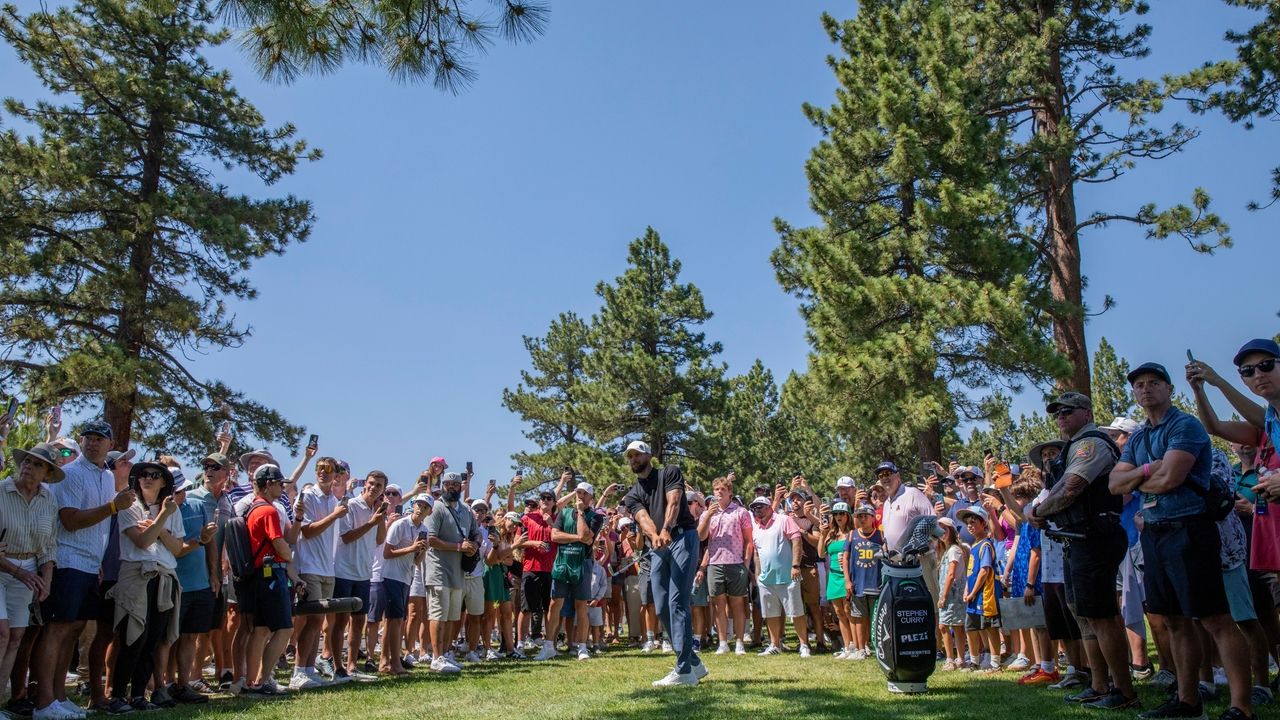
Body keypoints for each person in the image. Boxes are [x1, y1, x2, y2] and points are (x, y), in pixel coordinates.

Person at [1110, 362, 1253, 720]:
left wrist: (1139, 479)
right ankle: (1188, 702)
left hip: (1190, 529)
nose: (1145, 390)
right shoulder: (1141, 437)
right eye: (1139, 385)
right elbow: (1114, 485)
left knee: (1215, 619)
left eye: (1154, 383)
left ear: (1169, 388)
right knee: (1173, 620)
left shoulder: (1184, 425)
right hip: (1155, 533)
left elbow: (1171, 478)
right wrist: (1147, 470)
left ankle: (1242, 707)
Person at [1027, 391, 1139, 709]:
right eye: (1057, 412)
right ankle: (1100, 683)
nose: (1060, 416)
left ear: (1086, 414)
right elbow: (1061, 488)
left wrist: (1039, 511)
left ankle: (1124, 691)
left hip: (1095, 538)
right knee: (1086, 616)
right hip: (1076, 538)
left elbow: (1072, 487)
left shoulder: (1090, 444)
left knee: (1102, 616)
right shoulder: (1075, 447)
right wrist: (1045, 509)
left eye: (1067, 411)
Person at [36, 421, 133, 720]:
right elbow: (70, 520)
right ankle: (43, 702)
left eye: (99, 439)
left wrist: (100, 562)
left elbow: (100, 528)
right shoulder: (72, 474)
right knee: (58, 629)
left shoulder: (105, 476)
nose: (92, 444)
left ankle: (59, 698)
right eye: (87, 438)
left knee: (75, 629)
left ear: (109, 442)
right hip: (68, 560)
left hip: (91, 565)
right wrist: (113, 508)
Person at [106, 462, 191, 711]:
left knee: (153, 640)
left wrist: (158, 528)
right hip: (136, 575)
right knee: (133, 638)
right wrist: (162, 520)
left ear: (164, 482)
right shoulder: (129, 505)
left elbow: (177, 549)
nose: (148, 479)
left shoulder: (172, 508)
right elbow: (142, 542)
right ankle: (118, 696)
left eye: (155, 475)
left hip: (164, 575)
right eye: (144, 474)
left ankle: (139, 696)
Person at [620, 441, 706, 687]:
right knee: (660, 606)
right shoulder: (632, 493)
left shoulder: (669, 472)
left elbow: (675, 501)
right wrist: (655, 535)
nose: (633, 460)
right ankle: (694, 662)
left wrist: (666, 528)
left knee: (677, 601)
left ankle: (684, 671)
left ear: (648, 455)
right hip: (659, 545)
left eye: (637, 454)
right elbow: (642, 517)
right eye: (630, 457)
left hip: (682, 536)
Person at [0, 444, 59, 703]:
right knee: (2, 633)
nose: (28, 467)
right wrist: (18, 572)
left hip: (29, 570)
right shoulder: (1, 490)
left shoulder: (49, 499)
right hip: (2, 569)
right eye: (26, 461)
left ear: (47, 473)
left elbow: (49, 545)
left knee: (16, 636)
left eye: (37, 464)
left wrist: (46, 579)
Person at [243, 464, 304, 696]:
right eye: (279, 483)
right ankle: (264, 678)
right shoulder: (267, 510)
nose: (282, 487)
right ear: (268, 485)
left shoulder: (254, 508)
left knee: (260, 630)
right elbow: (280, 543)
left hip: (260, 574)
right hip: (271, 572)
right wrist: (287, 556)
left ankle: (252, 681)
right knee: (285, 628)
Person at [290, 456, 348, 690]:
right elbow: (309, 531)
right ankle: (298, 671)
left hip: (327, 567)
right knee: (311, 620)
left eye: (328, 469)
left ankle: (308, 669)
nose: (322, 473)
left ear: (336, 475)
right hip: (309, 565)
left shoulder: (333, 498)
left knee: (319, 621)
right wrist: (334, 515)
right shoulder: (309, 496)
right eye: (319, 469)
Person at [332, 471, 387, 681]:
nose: (374, 488)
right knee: (340, 621)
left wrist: (380, 519)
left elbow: (380, 539)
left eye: (379, 486)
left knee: (358, 622)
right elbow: (345, 537)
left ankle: (352, 666)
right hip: (344, 571)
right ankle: (338, 667)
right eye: (372, 484)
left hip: (364, 573)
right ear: (365, 484)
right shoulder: (352, 505)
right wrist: (371, 522)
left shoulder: (376, 511)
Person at [424, 472, 479, 673]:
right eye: (448, 484)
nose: (452, 488)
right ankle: (436, 657)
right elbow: (431, 539)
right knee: (438, 614)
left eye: (456, 484)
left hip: (458, 571)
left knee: (451, 616)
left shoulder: (465, 510)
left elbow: (475, 534)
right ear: (443, 485)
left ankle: (446, 654)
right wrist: (458, 547)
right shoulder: (437, 508)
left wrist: (474, 544)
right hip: (439, 569)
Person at [541, 481, 601, 662]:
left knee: (581, 606)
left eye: (584, 493)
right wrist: (578, 538)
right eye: (578, 492)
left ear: (591, 497)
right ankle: (549, 646)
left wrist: (581, 513)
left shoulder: (596, 517)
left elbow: (587, 537)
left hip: (583, 564)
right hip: (562, 563)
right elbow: (554, 536)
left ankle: (582, 647)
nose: (580, 496)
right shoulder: (563, 513)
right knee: (554, 604)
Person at [748, 495, 809, 658]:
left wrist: (795, 565)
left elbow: (796, 541)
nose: (756, 510)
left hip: (788, 576)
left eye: (760, 506)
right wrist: (758, 575)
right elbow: (756, 553)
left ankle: (804, 645)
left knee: (796, 612)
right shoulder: (756, 527)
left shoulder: (783, 520)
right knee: (771, 614)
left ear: (769, 507)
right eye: (754, 507)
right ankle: (775, 644)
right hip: (766, 579)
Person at [699, 476, 751, 656]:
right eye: (716, 490)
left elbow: (748, 540)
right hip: (715, 563)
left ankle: (739, 642)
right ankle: (722, 642)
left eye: (722, 489)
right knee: (718, 605)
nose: (719, 492)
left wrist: (745, 564)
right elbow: (701, 537)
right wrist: (708, 516)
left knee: (737, 604)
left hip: (736, 563)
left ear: (730, 492)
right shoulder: (707, 513)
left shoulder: (740, 512)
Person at [384, 497, 429, 674]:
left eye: (425, 507)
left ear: (428, 512)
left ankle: (391, 662)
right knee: (392, 621)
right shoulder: (400, 525)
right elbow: (387, 553)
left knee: (397, 621)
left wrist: (422, 551)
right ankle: (391, 663)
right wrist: (412, 548)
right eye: (419, 505)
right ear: (413, 506)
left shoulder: (424, 529)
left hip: (406, 577)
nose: (421, 509)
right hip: (391, 576)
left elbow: (417, 561)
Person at [958, 506, 1001, 674]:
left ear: (983, 523)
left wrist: (974, 591)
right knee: (971, 627)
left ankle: (995, 663)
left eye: (973, 521)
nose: (969, 525)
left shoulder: (986, 545)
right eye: (967, 523)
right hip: (973, 595)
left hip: (985, 595)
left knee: (990, 628)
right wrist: (967, 590)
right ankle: (974, 661)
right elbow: (971, 571)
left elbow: (984, 570)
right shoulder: (974, 545)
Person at [517, 490, 557, 650]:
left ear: (554, 502)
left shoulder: (557, 519)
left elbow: (561, 538)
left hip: (551, 570)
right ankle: (520, 643)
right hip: (531, 568)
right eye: (543, 498)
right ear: (539, 502)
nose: (545, 500)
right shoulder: (527, 518)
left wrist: (551, 524)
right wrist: (535, 543)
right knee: (526, 608)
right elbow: (517, 542)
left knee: (549, 609)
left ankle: (549, 644)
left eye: (549, 498)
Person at [845, 503, 882, 659]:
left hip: (876, 582)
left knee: (876, 617)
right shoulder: (852, 534)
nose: (862, 519)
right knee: (859, 617)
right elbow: (845, 558)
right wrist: (847, 580)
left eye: (865, 516)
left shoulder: (880, 535)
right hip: (857, 583)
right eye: (859, 516)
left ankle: (876, 647)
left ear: (873, 517)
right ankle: (861, 649)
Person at [819, 502, 854, 658]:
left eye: (842, 513)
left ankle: (856, 645)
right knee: (839, 613)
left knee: (849, 611)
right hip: (833, 576)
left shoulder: (852, 533)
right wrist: (822, 534)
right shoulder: (831, 534)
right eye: (836, 514)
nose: (838, 517)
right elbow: (821, 554)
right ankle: (847, 647)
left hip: (846, 575)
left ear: (847, 515)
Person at [935, 517, 968, 671]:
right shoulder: (946, 551)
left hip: (952, 593)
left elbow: (951, 574)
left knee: (948, 625)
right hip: (948, 592)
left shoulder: (954, 550)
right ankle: (958, 658)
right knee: (953, 625)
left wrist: (943, 595)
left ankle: (952, 658)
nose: (942, 533)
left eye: (945, 529)